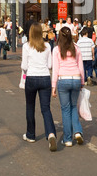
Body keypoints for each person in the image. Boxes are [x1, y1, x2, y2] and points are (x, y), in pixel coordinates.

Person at [21, 22, 57, 152]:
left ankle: (31, 134)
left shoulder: (26, 46)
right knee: (45, 108)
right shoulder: (47, 46)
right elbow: (49, 65)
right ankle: (51, 133)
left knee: (30, 106)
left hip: (31, 77)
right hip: (45, 77)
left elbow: (24, 66)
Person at [52, 26, 84, 147]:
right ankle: (77, 132)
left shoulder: (56, 50)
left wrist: (53, 86)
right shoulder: (76, 48)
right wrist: (82, 81)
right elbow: (81, 66)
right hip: (76, 78)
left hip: (63, 79)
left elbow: (55, 69)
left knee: (65, 109)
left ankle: (68, 139)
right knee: (73, 107)